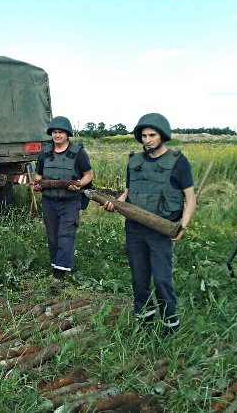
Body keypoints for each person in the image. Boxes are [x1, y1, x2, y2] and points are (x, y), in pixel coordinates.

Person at [104, 113, 195, 335]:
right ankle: (144, 319)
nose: (147, 140)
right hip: (135, 228)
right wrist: (116, 204)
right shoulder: (134, 161)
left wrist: (183, 225)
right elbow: (128, 191)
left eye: (152, 135)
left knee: (162, 279)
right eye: (144, 135)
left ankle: (169, 324)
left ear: (162, 135)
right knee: (139, 277)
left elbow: (190, 197)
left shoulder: (178, 162)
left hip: (161, 229)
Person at [32, 116, 94, 280]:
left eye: (60, 132)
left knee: (65, 235)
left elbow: (88, 174)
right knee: (52, 236)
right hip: (49, 201)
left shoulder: (78, 153)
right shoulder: (45, 152)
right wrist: (37, 184)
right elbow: (38, 174)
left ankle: (60, 274)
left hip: (70, 202)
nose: (57, 135)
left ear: (67, 134)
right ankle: (56, 265)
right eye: (54, 132)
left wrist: (79, 184)